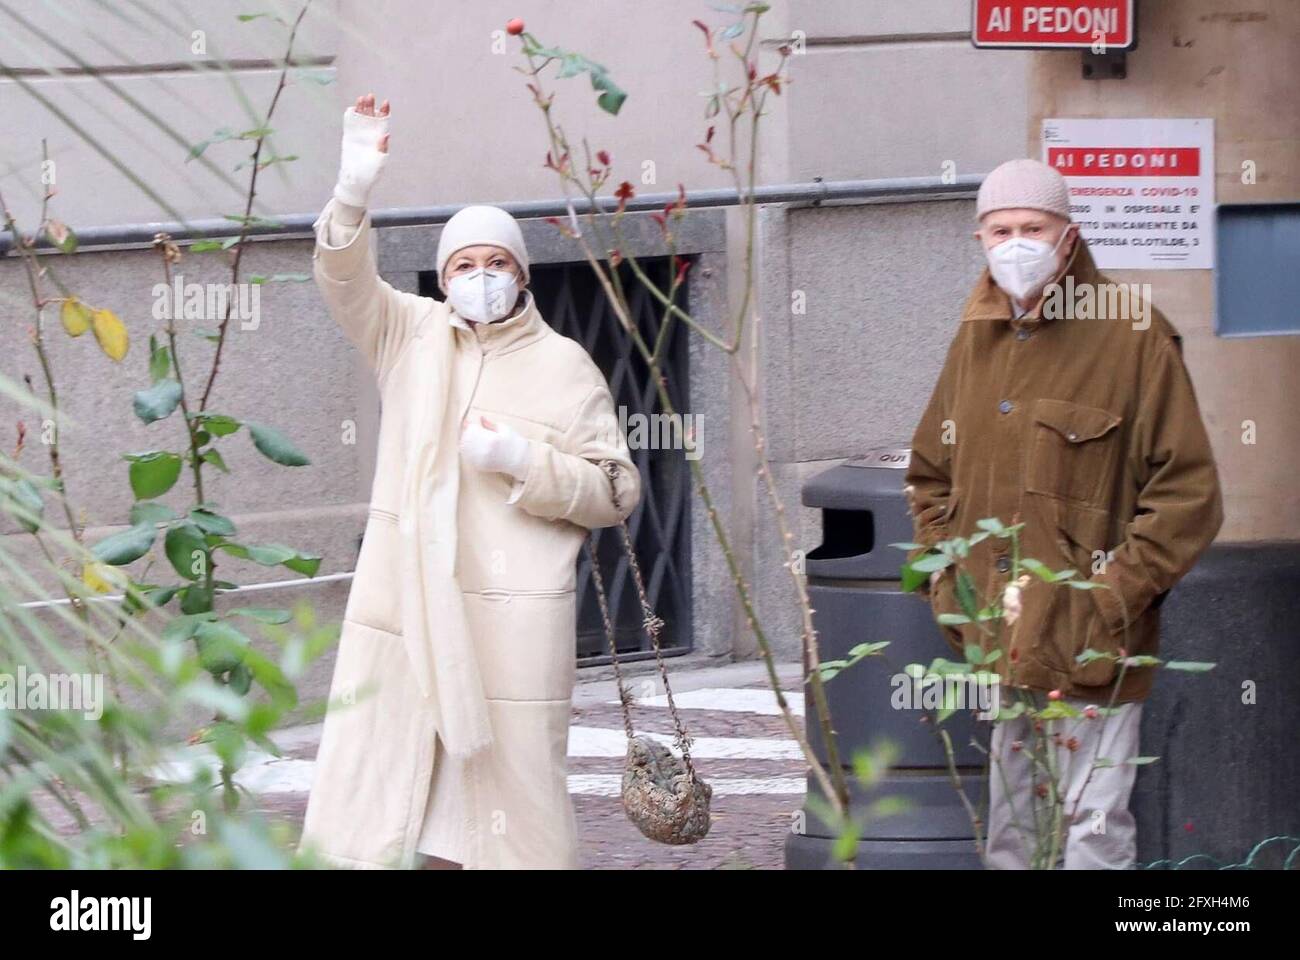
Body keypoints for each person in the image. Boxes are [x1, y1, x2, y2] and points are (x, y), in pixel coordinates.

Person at [297, 94, 641, 870]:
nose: (480, 278)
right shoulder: (411, 335)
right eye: (463, 265)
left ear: (520, 275)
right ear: (443, 277)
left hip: (509, 630)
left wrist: (527, 462)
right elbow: (345, 283)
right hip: (409, 611)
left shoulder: (564, 365)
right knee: (393, 805)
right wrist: (353, 189)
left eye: (495, 264)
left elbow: (616, 492)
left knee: (505, 820)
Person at [904, 158, 1223, 869]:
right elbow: (930, 472)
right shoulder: (976, 334)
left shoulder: (1134, 335)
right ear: (980, 237)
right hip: (997, 636)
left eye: (1033, 228)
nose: (1016, 243)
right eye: (1000, 229)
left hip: (1095, 646)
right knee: (1014, 833)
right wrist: (946, 578)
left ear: (1068, 235)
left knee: (1092, 834)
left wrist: (1112, 600)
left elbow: (1189, 497)